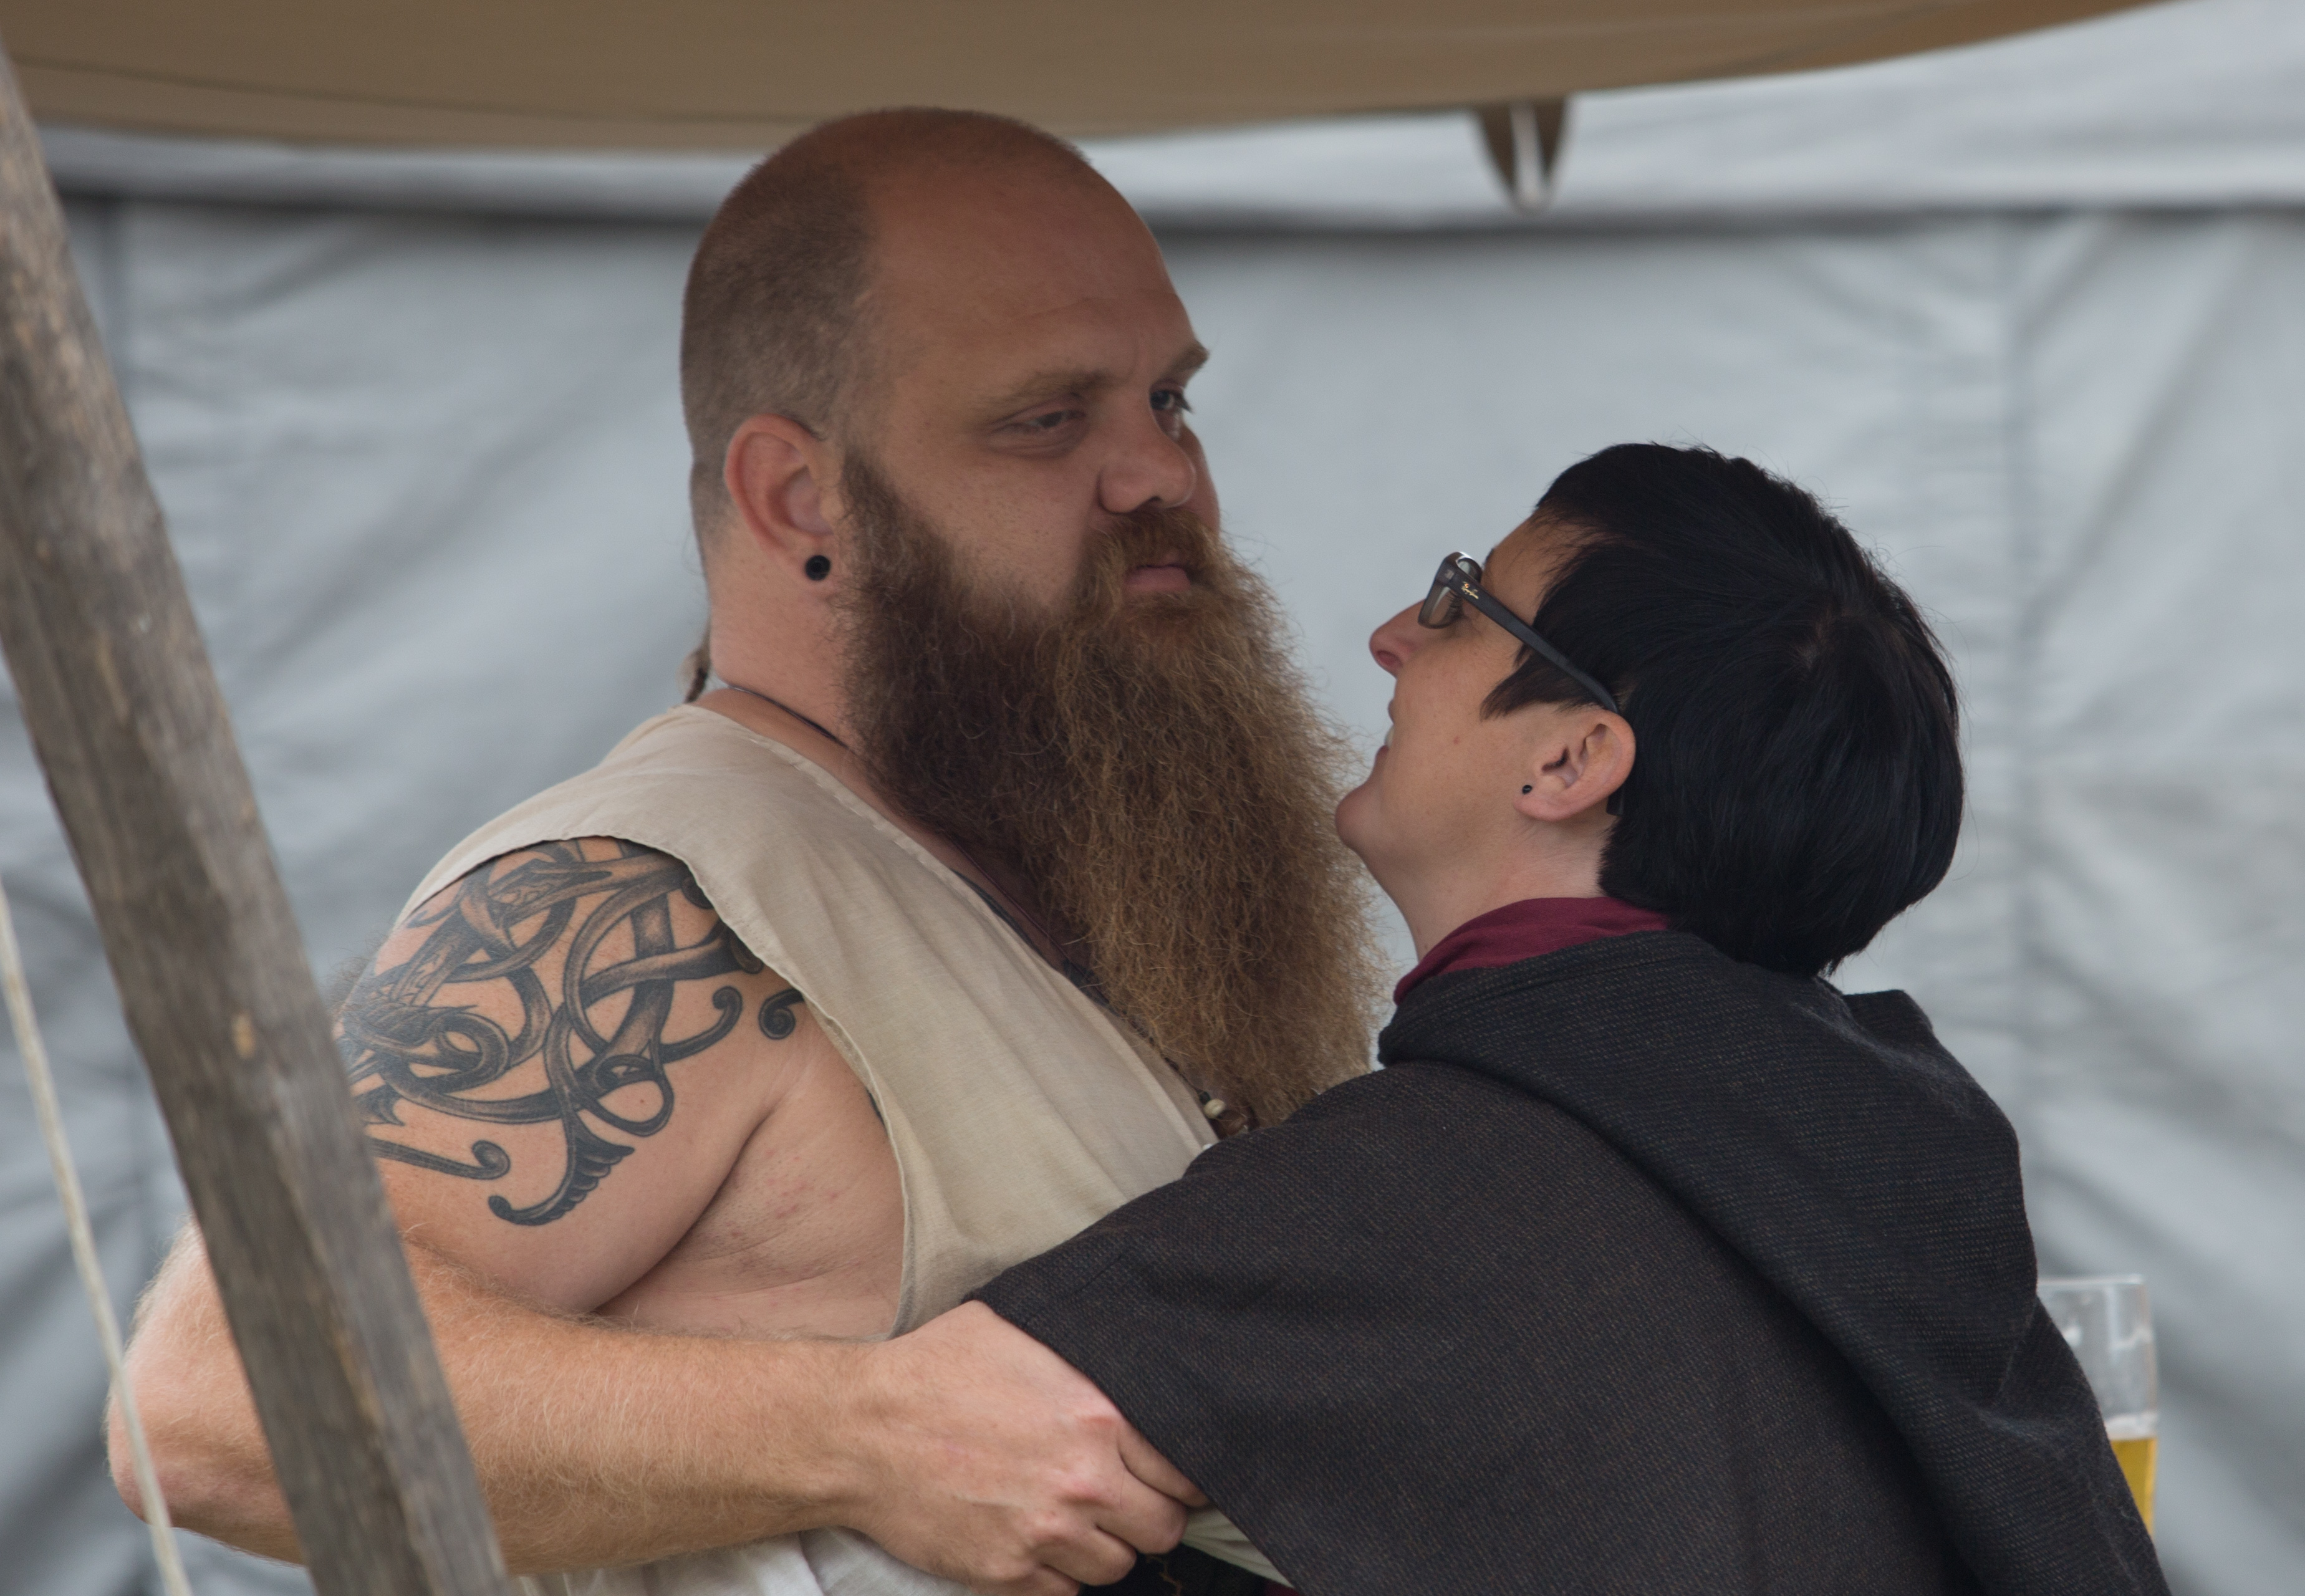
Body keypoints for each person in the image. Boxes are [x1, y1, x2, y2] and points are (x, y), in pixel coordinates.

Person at [113, 110, 1381, 1596]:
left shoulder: (1071, 858)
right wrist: (869, 1431)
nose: (1156, 471)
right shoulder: (642, 888)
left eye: (1169, 399)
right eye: (1047, 418)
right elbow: (223, 1394)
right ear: (800, 498)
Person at [943, 444, 2173, 1595]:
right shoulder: (1888, 1150)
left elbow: (935, 1437)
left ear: (1571, 760)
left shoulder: (1415, 1192)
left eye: (1461, 605)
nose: (1393, 637)